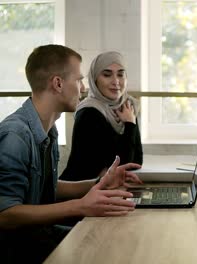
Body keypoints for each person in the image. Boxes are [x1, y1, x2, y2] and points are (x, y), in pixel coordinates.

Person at [0, 45, 143, 263]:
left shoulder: (49, 129)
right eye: (78, 80)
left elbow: (48, 187)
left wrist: (100, 181)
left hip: (41, 233)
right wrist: (81, 205)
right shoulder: (15, 135)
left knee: (120, 240)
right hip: (20, 248)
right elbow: (6, 215)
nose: (84, 88)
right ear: (57, 84)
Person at [60, 51, 143, 181]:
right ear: (94, 79)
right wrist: (129, 125)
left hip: (104, 190)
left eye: (121, 74)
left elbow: (136, 161)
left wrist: (130, 122)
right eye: (107, 75)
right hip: (78, 192)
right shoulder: (89, 113)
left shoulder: (126, 106)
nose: (116, 81)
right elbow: (121, 165)